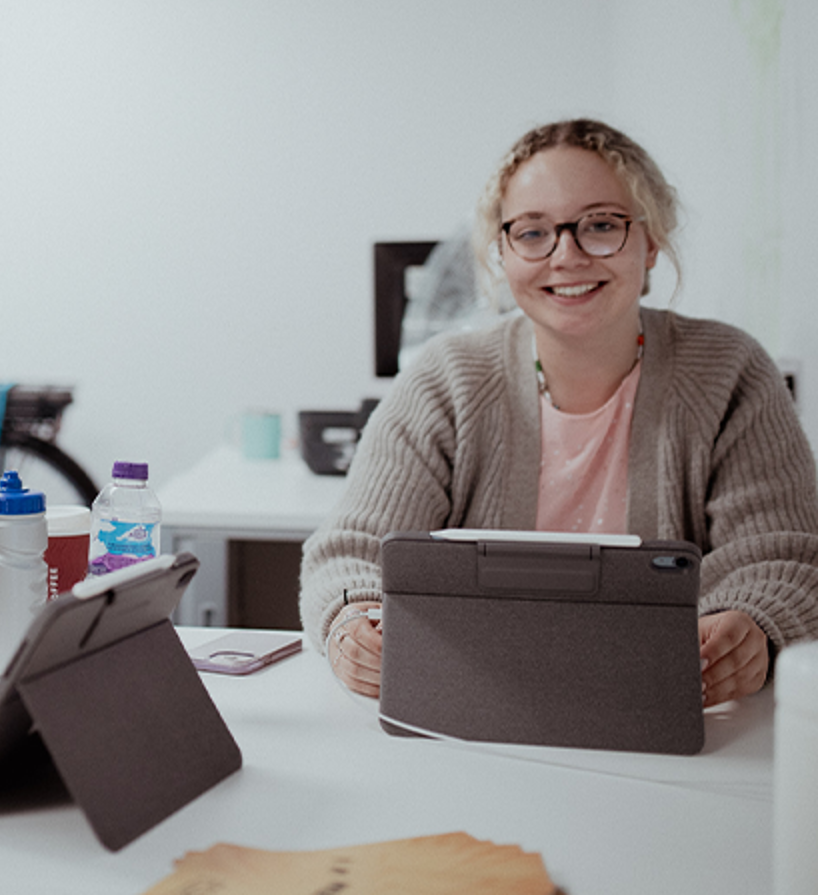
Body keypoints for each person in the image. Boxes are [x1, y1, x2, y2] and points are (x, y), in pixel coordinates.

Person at [300, 118, 818, 707]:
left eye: (601, 225)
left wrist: (754, 625)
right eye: (532, 232)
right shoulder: (443, 379)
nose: (566, 255)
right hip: (472, 708)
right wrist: (350, 623)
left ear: (651, 243)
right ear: (503, 252)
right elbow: (349, 552)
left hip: (658, 709)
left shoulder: (730, 372)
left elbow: (784, 554)